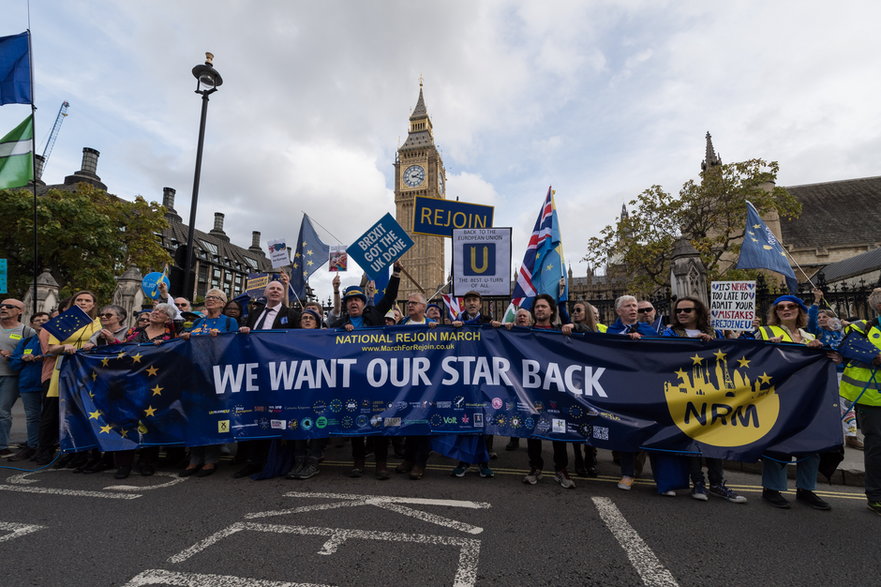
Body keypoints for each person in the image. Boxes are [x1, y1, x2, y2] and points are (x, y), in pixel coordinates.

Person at [660, 296, 746, 503]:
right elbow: (663, 352)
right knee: (691, 438)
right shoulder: (669, 332)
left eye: (687, 310)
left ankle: (717, 483)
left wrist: (715, 342)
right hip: (684, 391)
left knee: (714, 438)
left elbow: (731, 353)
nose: (682, 313)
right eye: (679, 310)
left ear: (698, 312)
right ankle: (698, 482)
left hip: (713, 391)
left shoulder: (714, 332)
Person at [757, 295, 830, 510]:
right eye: (780, 307)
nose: (786, 310)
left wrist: (823, 351)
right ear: (775, 312)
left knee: (811, 441)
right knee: (777, 441)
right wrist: (764, 347)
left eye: (791, 306)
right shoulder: (765, 332)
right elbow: (748, 357)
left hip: (808, 396)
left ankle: (806, 489)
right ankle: (772, 488)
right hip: (779, 396)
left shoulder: (809, 336)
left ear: (799, 310)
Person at [341, 261, 402, 479]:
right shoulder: (340, 324)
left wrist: (395, 274)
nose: (354, 303)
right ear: (346, 305)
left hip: (376, 378)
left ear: (364, 303)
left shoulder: (375, 316)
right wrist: (341, 330)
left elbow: (389, 298)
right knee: (356, 422)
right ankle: (358, 462)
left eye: (357, 299)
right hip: (351, 381)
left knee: (379, 421)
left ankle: (381, 464)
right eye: (350, 301)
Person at [235, 276, 298, 479]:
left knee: (277, 416)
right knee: (255, 414)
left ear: (283, 293)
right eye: (271, 288)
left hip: (280, 372)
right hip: (257, 371)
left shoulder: (292, 314)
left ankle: (277, 460)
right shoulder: (255, 313)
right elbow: (246, 337)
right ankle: (254, 461)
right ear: (265, 293)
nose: (275, 291)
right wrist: (245, 331)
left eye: (279, 289)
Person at [37, 292, 102, 467]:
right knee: (55, 415)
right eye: (79, 300)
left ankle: (85, 454)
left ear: (94, 304)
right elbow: (51, 348)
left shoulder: (98, 322)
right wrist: (64, 347)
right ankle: (51, 453)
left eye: (87, 300)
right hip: (63, 372)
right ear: (73, 303)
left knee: (84, 414)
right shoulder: (64, 321)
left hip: (89, 373)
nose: (83, 302)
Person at [179, 289, 238, 478]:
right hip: (195, 375)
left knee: (213, 416)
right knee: (195, 416)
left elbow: (235, 345)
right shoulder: (198, 321)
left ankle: (211, 459)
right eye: (208, 297)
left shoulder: (229, 322)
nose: (210, 300)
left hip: (216, 375)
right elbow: (184, 338)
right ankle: (194, 459)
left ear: (223, 303)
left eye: (215, 298)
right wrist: (185, 336)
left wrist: (220, 338)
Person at [521, 294, 576, 489]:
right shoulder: (524, 332)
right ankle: (535, 467)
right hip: (532, 390)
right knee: (533, 430)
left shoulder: (559, 332)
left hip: (555, 389)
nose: (539, 310)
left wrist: (575, 327)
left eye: (543, 307)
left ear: (552, 311)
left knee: (558, 430)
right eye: (537, 307)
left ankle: (561, 469)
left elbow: (588, 333)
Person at [838, 287, 881, 515]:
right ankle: (876, 495)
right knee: (877, 447)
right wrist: (873, 357)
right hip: (872, 399)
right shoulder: (862, 327)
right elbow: (845, 347)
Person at [609, 295, 656, 490]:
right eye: (628, 306)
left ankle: (657, 474)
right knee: (626, 431)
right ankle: (627, 473)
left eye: (635, 306)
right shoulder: (611, 331)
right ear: (619, 311)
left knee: (651, 431)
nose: (633, 309)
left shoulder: (648, 330)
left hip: (646, 388)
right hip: (620, 389)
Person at [807, 288, 861, 450]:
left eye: (825, 316)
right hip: (824, 374)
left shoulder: (842, 332)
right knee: (826, 404)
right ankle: (829, 435)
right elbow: (810, 321)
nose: (821, 319)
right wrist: (816, 301)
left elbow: (858, 342)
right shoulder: (818, 333)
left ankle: (851, 435)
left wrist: (847, 325)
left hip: (843, 373)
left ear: (834, 319)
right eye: (819, 317)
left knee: (847, 404)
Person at [287, 308, 328, 480]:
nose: (307, 320)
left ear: (317, 323)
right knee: (298, 423)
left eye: (311, 318)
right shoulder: (291, 339)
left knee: (317, 424)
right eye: (304, 318)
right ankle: (299, 460)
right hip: (298, 389)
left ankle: (313, 461)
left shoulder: (325, 339)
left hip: (319, 389)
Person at [4, 310, 45, 460]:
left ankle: (46, 447)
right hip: (28, 385)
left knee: (48, 417)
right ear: (31, 324)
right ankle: (33, 446)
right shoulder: (26, 342)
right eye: (38, 320)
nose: (41, 322)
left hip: (48, 384)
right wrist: (21, 357)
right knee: (32, 418)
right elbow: (14, 363)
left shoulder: (56, 340)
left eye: (45, 319)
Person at [0, 298, 32, 457]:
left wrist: (14, 355)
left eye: (9, 306)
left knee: (2, 411)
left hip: (10, 376)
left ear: (20, 311)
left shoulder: (26, 331)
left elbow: (31, 352)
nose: (4, 308)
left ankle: (2, 445)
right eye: (2, 305)